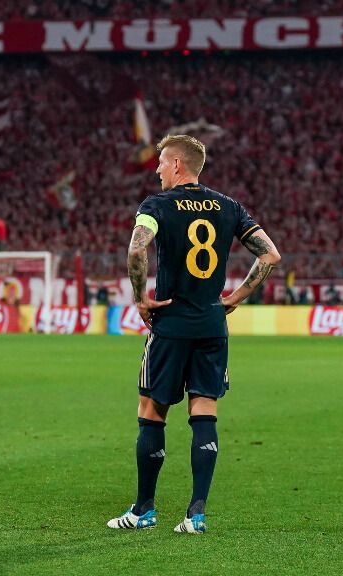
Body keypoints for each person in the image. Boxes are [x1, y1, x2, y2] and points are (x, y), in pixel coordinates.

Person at [107, 134, 281, 535]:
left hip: (170, 325)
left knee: (152, 412)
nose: (157, 170)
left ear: (178, 166)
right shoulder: (228, 206)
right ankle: (195, 514)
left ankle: (144, 510)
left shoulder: (156, 206)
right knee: (204, 411)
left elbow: (137, 250)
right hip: (211, 326)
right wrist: (235, 296)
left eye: (162, 163)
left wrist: (140, 298)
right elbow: (270, 255)